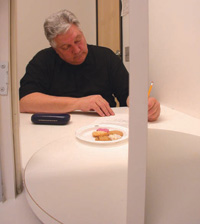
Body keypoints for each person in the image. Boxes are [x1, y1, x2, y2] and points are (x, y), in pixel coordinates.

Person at [19, 9, 160, 121]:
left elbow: (128, 94)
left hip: (106, 126)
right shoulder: (43, 60)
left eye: (78, 40)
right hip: (59, 130)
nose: (77, 49)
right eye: (66, 47)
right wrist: (79, 103)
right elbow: (25, 102)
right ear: (55, 49)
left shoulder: (106, 57)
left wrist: (143, 105)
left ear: (82, 33)